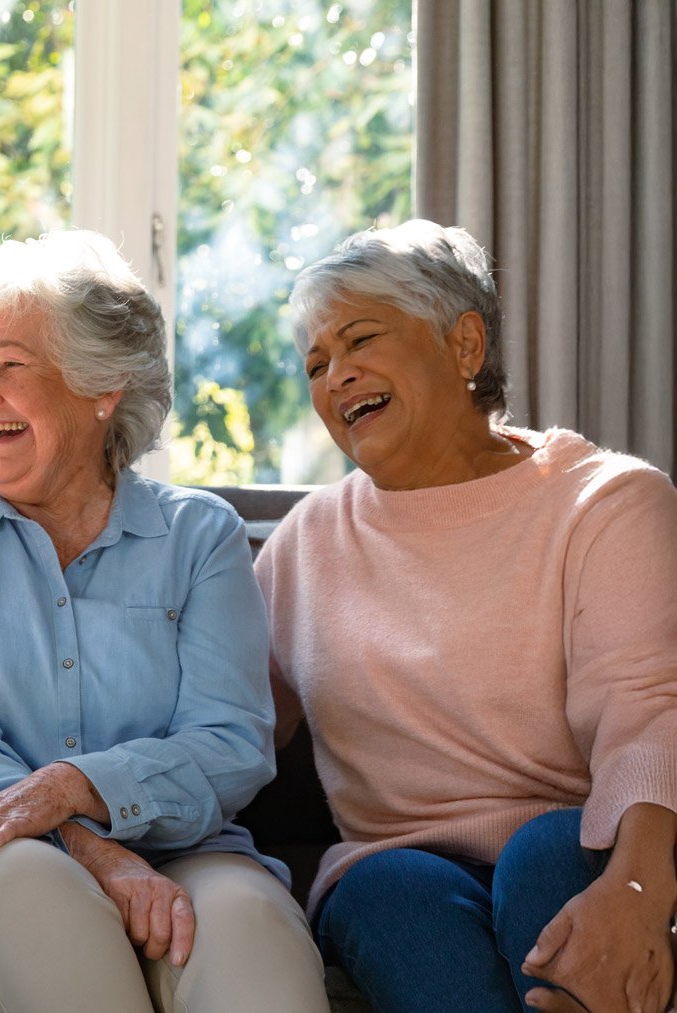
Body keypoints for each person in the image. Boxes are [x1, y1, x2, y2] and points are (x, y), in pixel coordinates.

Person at [0, 230, 330, 1013]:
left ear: (101, 386)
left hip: (188, 847)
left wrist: (79, 785)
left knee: (254, 952)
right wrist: (79, 835)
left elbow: (231, 740)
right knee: (47, 921)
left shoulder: (199, 536)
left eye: (8, 365)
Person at [259, 219, 677, 1013]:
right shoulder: (303, 543)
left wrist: (637, 887)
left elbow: (649, 711)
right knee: (392, 890)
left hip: (577, 837)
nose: (336, 377)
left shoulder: (608, 503)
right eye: (316, 364)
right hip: (391, 863)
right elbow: (224, 718)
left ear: (464, 344)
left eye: (360, 341)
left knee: (546, 856)